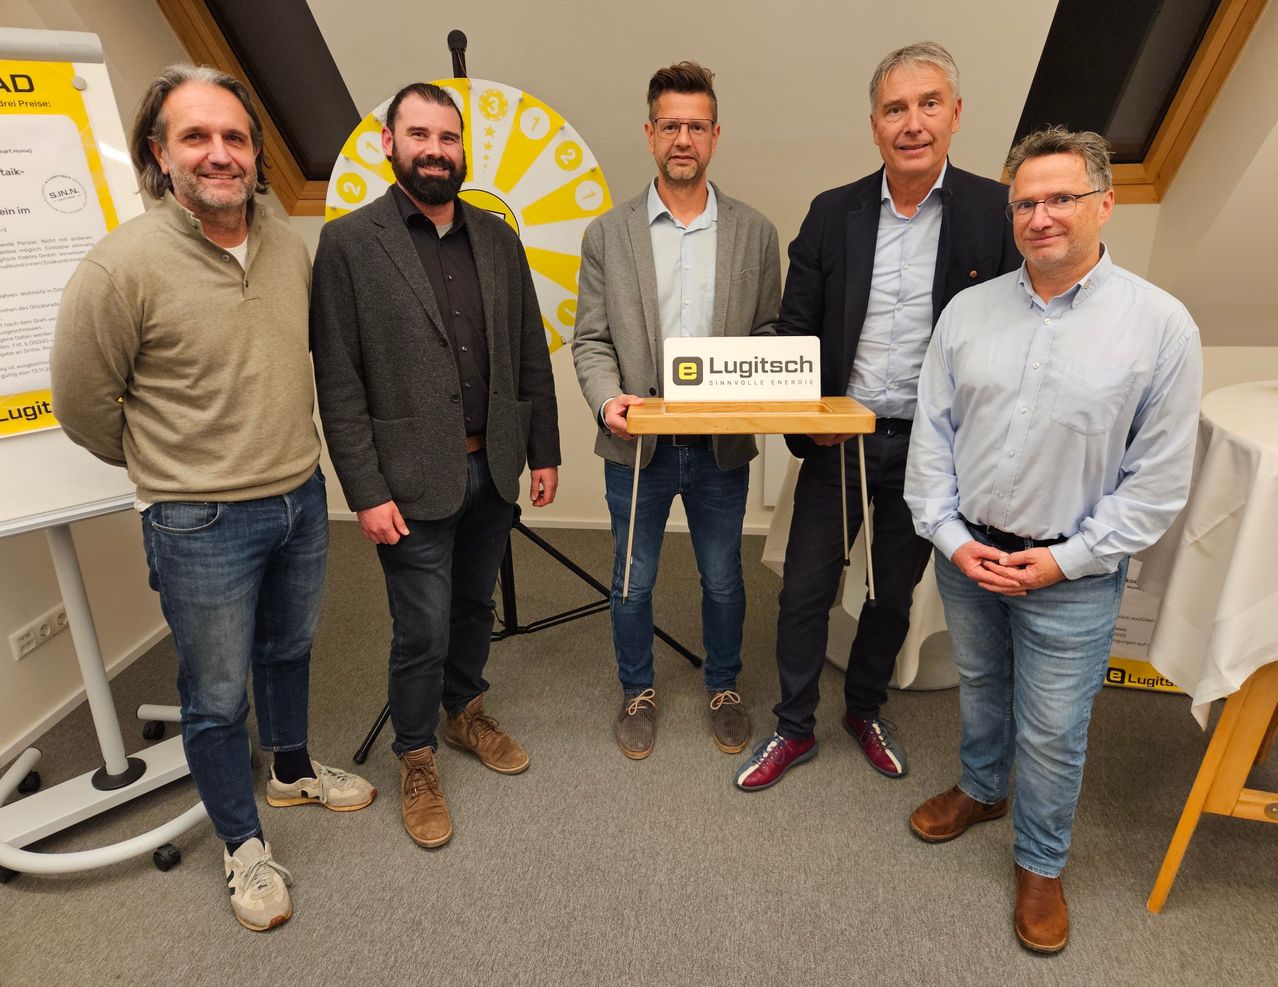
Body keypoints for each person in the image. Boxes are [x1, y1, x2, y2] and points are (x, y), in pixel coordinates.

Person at [51, 64, 374, 933]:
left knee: (290, 650)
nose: (219, 153)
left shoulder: (282, 238)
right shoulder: (120, 268)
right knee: (216, 692)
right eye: (196, 136)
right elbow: (83, 404)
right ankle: (241, 844)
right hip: (198, 522)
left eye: (234, 136)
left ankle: (293, 768)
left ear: (255, 152)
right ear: (160, 154)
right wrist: (173, 466)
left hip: (299, 497)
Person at [904, 126, 1202, 953]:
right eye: (1025, 202)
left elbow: (1159, 481)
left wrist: (1064, 560)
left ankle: (1040, 862)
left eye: (1060, 198)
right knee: (983, 686)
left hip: (1072, 568)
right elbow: (933, 438)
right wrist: (953, 538)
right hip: (971, 556)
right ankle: (982, 788)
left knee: (1054, 725)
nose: (1040, 216)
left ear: (1105, 203)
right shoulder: (969, 312)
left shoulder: (1160, 327)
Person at [736, 42, 1018, 791]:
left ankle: (864, 706)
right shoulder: (833, 213)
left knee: (892, 592)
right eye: (896, 108)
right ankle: (793, 725)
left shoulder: (997, 211)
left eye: (929, 104)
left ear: (956, 115)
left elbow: (1020, 333)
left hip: (933, 450)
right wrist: (807, 415)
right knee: (804, 589)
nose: (913, 122)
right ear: (874, 125)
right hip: (841, 441)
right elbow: (794, 330)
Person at [310, 82, 560, 850]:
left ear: (463, 149)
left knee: (474, 606)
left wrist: (543, 448)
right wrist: (365, 490)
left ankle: (465, 711)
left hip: (494, 468)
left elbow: (528, 352)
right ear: (390, 144)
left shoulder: (496, 237)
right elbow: (339, 379)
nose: (434, 149)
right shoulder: (351, 244)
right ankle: (415, 755)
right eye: (418, 134)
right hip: (407, 481)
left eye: (447, 137)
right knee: (419, 627)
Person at [572, 61, 780, 760]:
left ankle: (723, 684)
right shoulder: (609, 235)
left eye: (696, 126)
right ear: (649, 133)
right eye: (670, 126)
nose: (682, 138)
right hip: (638, 446)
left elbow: (769, 333)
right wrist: (607, 402)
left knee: (723, 576)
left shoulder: (755, 232)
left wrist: (760, 379)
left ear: (715, 135)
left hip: (719, 447)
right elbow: (592, 340)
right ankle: (638, 690)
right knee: (633, 578)